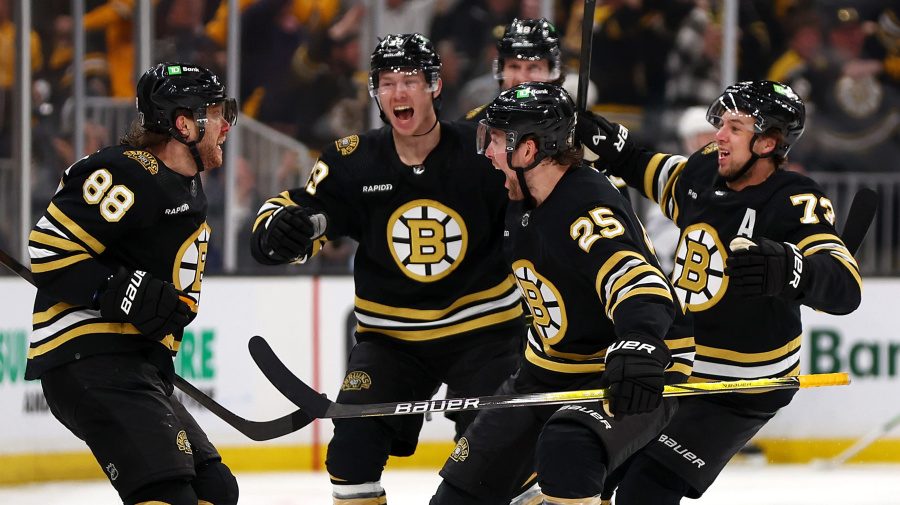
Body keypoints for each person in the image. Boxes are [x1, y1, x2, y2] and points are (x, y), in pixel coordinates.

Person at [249, 33, 526, 505]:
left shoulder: (482, 151)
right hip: (393, 344)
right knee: (350, 456)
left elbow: (538, 206)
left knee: (494, 454)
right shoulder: (351, 160)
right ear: (374, 92)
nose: (399, 93)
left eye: (411, 81)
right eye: (387, 82)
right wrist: (280, 231)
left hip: (488, 336)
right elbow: (305, 212)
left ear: (435, 86)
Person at [576, 80, 863, 503]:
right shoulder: (705, 168)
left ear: (767, 143)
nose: (719, 136)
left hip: (743, 386)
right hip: (681, 363)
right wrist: (615, 148)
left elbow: (846, 286)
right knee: (596, 470)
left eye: (734, 128)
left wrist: (794, 271)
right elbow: (650, 170)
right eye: (721, 124)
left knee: (645, 489)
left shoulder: (795, 200)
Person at [430, 82, 695, 505]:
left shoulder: (585, 207)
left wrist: (639, 342)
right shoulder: (520, 193)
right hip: (546, 369)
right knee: (461, 491)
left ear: (529, 150)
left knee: (568, 446)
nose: (489, 153)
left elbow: (640, 284)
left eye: (497, 140)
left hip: (622, 369)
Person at [24, 63, 239, 505]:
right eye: (218, 112)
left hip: (132, 364)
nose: (227, 124)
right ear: (184, 124)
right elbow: (47, 249)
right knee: (168, 494)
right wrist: (117, 290)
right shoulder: (126, 172)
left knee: (215, 491)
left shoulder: (187, 188)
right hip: (87, 358)